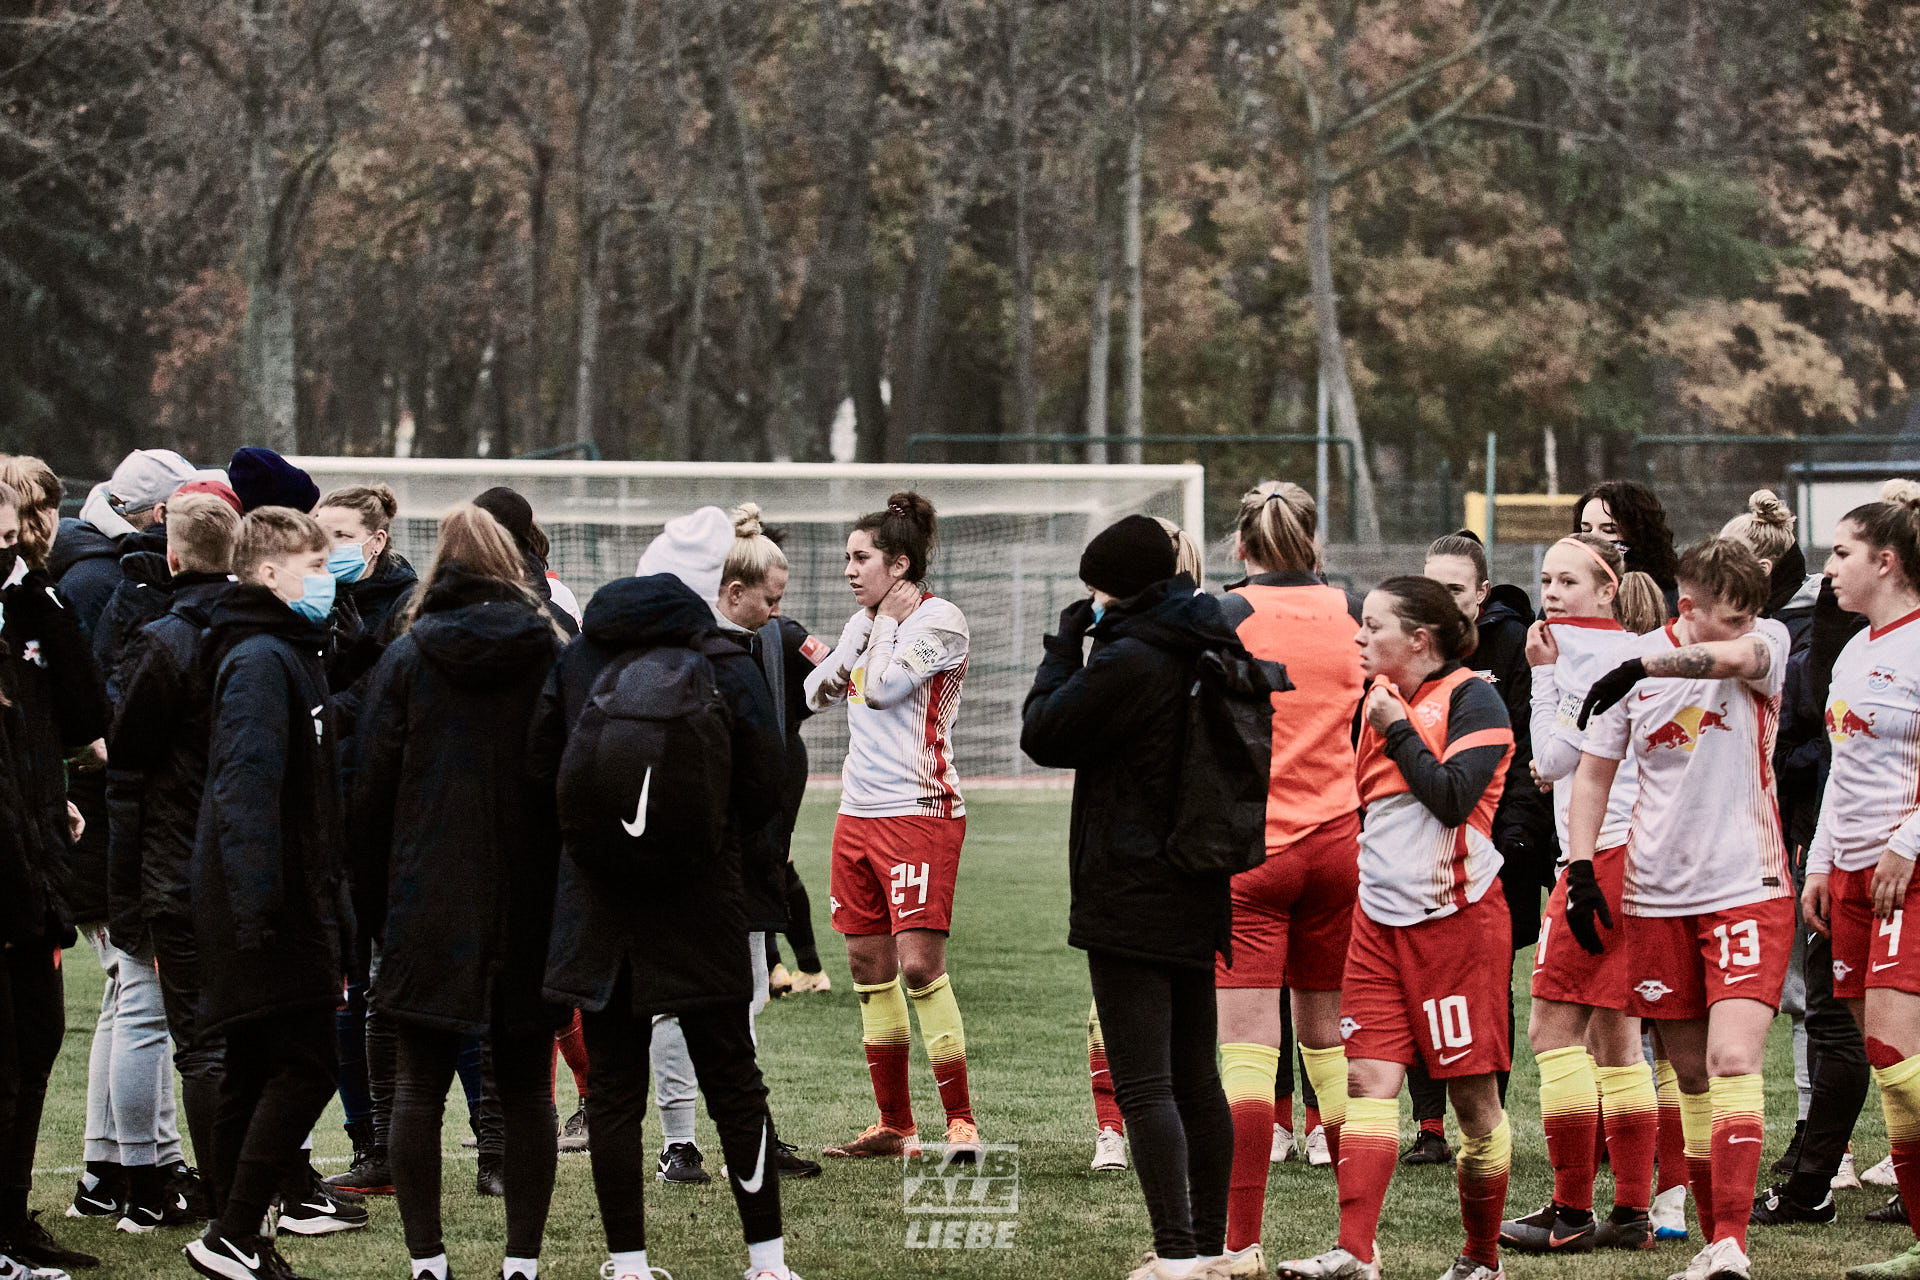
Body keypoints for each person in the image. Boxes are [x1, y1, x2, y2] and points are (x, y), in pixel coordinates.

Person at [534, 566, 797, 1280]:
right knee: (734, 1084)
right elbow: (766, 778)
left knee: (615, 1091)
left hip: (600, 905)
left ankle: (628, 1263)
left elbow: (541, 773)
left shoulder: (576, 658)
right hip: (701, 901)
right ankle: (767, 1262)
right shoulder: (721, 663)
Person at [1021, 513, 1253, 1280]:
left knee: (1146, 1081)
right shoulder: (1208, 636)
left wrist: (1064, 646)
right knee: (1197, 1076)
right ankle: (1214, 1244)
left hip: (1130, 880)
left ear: (1113, 588)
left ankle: (1179, 1254)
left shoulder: (1130, 657)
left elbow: (1045, 733)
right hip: (1199, 872)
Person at [1277, 576, 1515, 1280]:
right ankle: (1355, 1254)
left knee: (1475, 1106)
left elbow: (1451, 801)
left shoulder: (1475, 695)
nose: (1358, 635)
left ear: (1420, 638)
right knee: (1368, 1082)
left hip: (1456, 925)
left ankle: (1481, 1259)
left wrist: (1399, 729)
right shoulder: (1377, 704)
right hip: (1378, 924)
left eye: (1373, 625)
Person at [1567, 537, 1793, 1280]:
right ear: (1685, 608)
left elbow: (1734, 661)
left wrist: (1641, 665)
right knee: (1691, 1076)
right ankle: (1710, 1240)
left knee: (1733, 1059)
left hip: (1746, 887)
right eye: (1730, 617)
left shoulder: (1765, 642)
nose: (1746, 628)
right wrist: (1578, 867)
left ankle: (1731, 1242)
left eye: (1750, 616)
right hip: (1657, 896)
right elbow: (1594, 779)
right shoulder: (1628, 673)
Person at [351, 505, 566, 1280]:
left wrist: (377, 909)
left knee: (416, 1087)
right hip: (529, 896)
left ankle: (427, 1261)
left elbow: (369, 790)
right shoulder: (550, 651)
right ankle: (522, 1262)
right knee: (526, 1088)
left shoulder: (407, 659)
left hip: (425, 893)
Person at [186, 507, 362, 1280]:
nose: (325, 580)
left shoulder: (285, 652)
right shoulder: (261, 659)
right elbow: (246, 791)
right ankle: (231, 1231)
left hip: (275, 897)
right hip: (269, 904)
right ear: (267, 574)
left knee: (256, 1066)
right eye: (313, 566)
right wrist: (258, 909)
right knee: (306, 1065)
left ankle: (234, 1234)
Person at [633, 505, 818, 1184]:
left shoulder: (772, 644)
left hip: (753, 855)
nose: (776, 612)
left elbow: (816, 700)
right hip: (691, 857)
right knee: (681, 999)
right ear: (728, 592)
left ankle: (752, 1130)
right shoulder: (674, 659)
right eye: (768, 599)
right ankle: (678, 1142)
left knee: (747, 996)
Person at [1208, 483, 1363, 1277]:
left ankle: (1239, 1245)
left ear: (1242, 546)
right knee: (1327, 1044)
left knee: (1244, 1052)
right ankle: (1354, 1242)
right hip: (1339, 843)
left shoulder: (1226, 613)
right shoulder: (1352, 611)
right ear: (1313, 542)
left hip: (1254, 848)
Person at [1499, 534, 1664, 1254]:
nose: (1552, 591)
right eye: (1545, 578)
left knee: (1550, 1033)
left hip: (1598, 859)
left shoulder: (1580, 657)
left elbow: (1550, 761)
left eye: (1569, 580)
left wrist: (1540, 677)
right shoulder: (1631, 648)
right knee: (1617, 1038)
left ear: (1608, 589)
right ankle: (1630, 1210)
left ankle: (1570, 1211)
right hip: (1636, 856)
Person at [803, 492, 980, 1159]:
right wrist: (862, 636)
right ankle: (893, 1123)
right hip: (856, 816)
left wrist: (873, 638)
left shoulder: (941, 621)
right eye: (846, 557)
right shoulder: (867, 620)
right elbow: (815, 692)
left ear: (899, 563)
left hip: (918, 814)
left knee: (917, 967)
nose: (849, 570)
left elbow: (880, 688)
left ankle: (959, 1120)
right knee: (867, 966)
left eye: (861, 558)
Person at [99, 494, 243, 1233]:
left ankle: (218, 1191)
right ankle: (253, 1186)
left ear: (175, 555)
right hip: (245, 855)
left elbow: (127, 749)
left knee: (194, 1040)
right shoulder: (261, 635)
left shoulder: (166, 640)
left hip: (180, 859)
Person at [1801, 482, 1920, 1280]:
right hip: (1846, 875)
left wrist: (1909, 843)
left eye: (1840, 553)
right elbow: (1843, 769)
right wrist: (1816, 860)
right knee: (1886, 1058)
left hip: (1902, 873)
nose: (1828, 568)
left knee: (1895, 1047)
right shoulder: (1855, 647)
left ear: (1885, 560)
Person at [1412, 531, 1556, 1165]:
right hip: (1421, 844)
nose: (1442, 601)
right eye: (1432, 587)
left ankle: (1486, 1123)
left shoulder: (1513, 647)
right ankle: (1428, 1127)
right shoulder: (1408, 652)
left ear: (1481, 593)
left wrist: (1517, 837)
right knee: (1420, 975)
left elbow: (1527, 752)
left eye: (1454, 589)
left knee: (1490, 985)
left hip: (1497, 846)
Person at [0, 467, 106, 1277]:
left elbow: (81, 711)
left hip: (30, 855)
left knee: (36, 1039)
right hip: (11, 860)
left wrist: (53, 799)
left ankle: (11, 1216)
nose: (15, 540)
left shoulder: (34, 602)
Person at [311, 483, 418, 1196]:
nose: (328, 548)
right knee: (348, 992)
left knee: (400, 986)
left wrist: (315, 709)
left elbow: (376, 697)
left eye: (341, 535)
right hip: (333, 813)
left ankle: (482, 1137)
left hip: (394, 818)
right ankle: (367, 1141)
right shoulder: (316, 599)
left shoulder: (409, 609)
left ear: (376, 540)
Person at [1574, 479, 1680, 615]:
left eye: (1608, 531)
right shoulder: (1565, 589)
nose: (1593, 539)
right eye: (1586, 529)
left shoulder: (1667, 597)